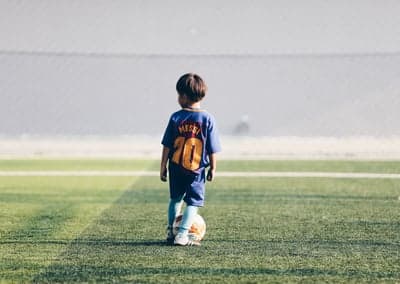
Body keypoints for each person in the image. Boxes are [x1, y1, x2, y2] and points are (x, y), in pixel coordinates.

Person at [160, 73, 221, 246]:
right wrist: (213, 168)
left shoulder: (175, 117)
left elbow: (167, 145)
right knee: (193, 203)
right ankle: (182, 235)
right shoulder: (207, 118)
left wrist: (163, 166)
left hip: (176, 167)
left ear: (185, 97)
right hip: (196, 170)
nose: (178, 98)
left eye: (179, 95)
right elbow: (212, 148)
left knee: (175, 199)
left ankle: (171, 232)